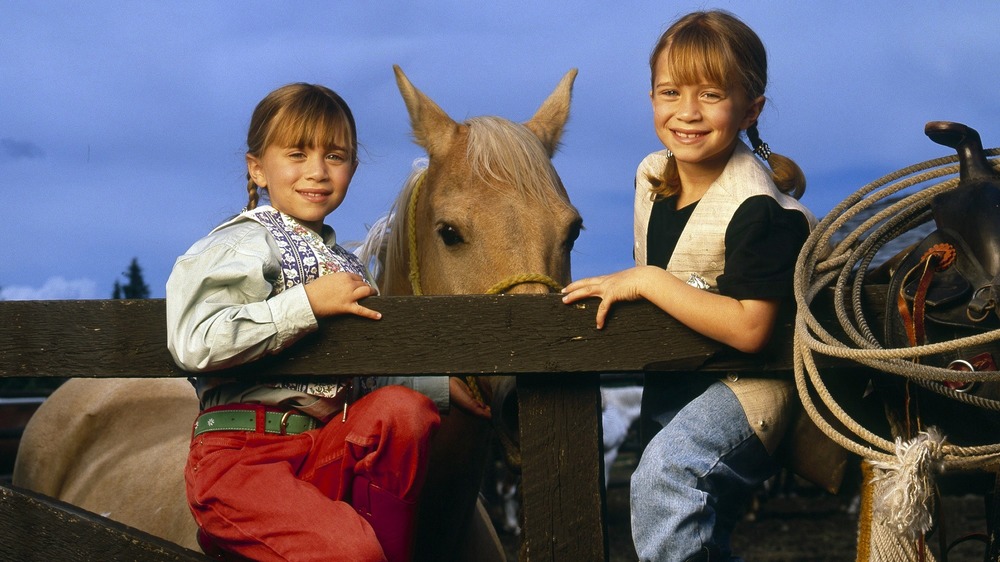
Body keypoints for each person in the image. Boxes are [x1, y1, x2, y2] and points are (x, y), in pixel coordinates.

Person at [166, 83, 489, 562]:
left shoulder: (346, 265)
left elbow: (361, 367)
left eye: (335, 156)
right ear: (258, 168)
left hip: (320, 448)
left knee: (403, 410)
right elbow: (195, 341)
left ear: (353, 169)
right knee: (350, 552)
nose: (317, 171)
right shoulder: (241, 244)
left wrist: (438, 387)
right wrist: (307, 303)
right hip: (242, 456)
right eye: (297, 154)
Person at [561, 11, 815, 562]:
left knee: (665, 479)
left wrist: (647, 281)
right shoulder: (651, 177)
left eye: (711, 94)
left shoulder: (760, 209)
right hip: (676, 382)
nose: (687, 112)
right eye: (670, 91)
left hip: (750, 392)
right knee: (698, 530)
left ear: (751, 109)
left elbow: (752, 329)